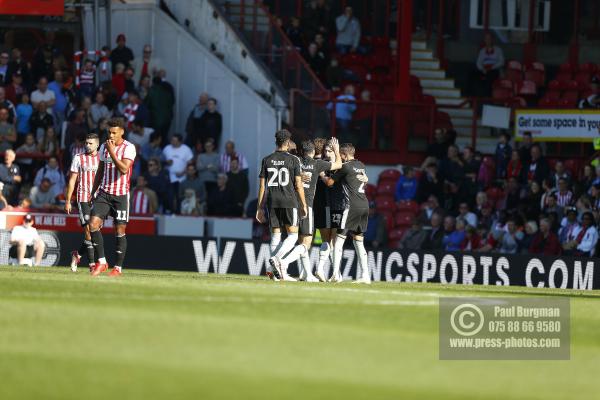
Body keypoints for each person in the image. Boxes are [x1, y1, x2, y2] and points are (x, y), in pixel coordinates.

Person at [277, 138, 342, 282]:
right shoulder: (317, 164)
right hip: (307, 207)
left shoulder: (295, 162)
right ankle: (283, 262)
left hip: (293, 206)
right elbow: (338, 164)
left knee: (300, 241)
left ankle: (306, 274)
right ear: (313, 152)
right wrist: (337, 150)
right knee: (306, 243)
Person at [256, 129, 308, 281]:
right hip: (289, 200)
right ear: (287, 142)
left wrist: (259, 207)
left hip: (272, 201)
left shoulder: (266, 159)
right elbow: (298, 185)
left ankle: (274, 274)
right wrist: (303, 204)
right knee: (293, 235)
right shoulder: (294, 160)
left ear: (276, 142)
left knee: (275, 236)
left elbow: (262, 187)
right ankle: (277, 260)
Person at [89, 118, 137, 276]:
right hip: (104, 193)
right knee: (93, 224)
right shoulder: (104, 146)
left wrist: (112, 152)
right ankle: (102, 262)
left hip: (121, 195)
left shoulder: (129, 148)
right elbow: (101, 170)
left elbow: (124, 169)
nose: (111, 135)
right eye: (109, 132)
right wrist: (93, 191)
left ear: (122, 132)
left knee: (120, 230)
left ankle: (118, 268)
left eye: (114, 133)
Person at [321, 143, 371, 283]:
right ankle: (365, 275)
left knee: (338, 240)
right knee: (358, 241)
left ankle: (336, 274)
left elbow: (330, 183)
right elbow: (363, 180)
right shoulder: (361, 165)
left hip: (351, 206)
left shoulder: (345, 167)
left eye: (341, 156)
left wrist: (322, 175)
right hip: (364, 205)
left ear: (344, 155)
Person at [65, 133, 100, 272]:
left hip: (99, 199)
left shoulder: (102, 158)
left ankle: (77, 254)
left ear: (97, 144)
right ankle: (92, 265)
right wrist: (68, 201)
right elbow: (72, 180)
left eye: (91, 143)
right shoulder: (78, 157)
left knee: (94, 232)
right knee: (88, 231)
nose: (87, 145)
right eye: (86, 143)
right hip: (83, 197)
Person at [162, 134, 194, 212]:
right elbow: (161, 161)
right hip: (169, 177)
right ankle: (169, 210)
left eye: (175, 141)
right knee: (169, 195)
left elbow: (190, 163)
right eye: (172, 140)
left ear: (180, 141)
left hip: (182, 177)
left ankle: (179, 212)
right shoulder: (167, 148)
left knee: (180, 196)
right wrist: (166, 162)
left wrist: (183, 172)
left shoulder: (186, 149)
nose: (172, 142)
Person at [145, 76, 175, 143]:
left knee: (156, 138)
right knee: (164, 137)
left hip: (155, 119)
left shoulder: (152, 91)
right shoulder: (168, 91)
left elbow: (146, 104)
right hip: (167, 119)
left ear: (153, 82)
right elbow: (172, 102)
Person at [474, 31, 504, 96]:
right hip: (484, 69)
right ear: (484, 40)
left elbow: (501, 62)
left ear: (492, 40)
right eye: (486, 39)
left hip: (494, 69)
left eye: (489, 39)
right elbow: (478, 63)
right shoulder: (482, 51)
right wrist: (482, 69)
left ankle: (487, 97)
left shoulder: (498, 50)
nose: (488, 40)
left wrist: (491, 67)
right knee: (474, 75)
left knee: (490, 76)